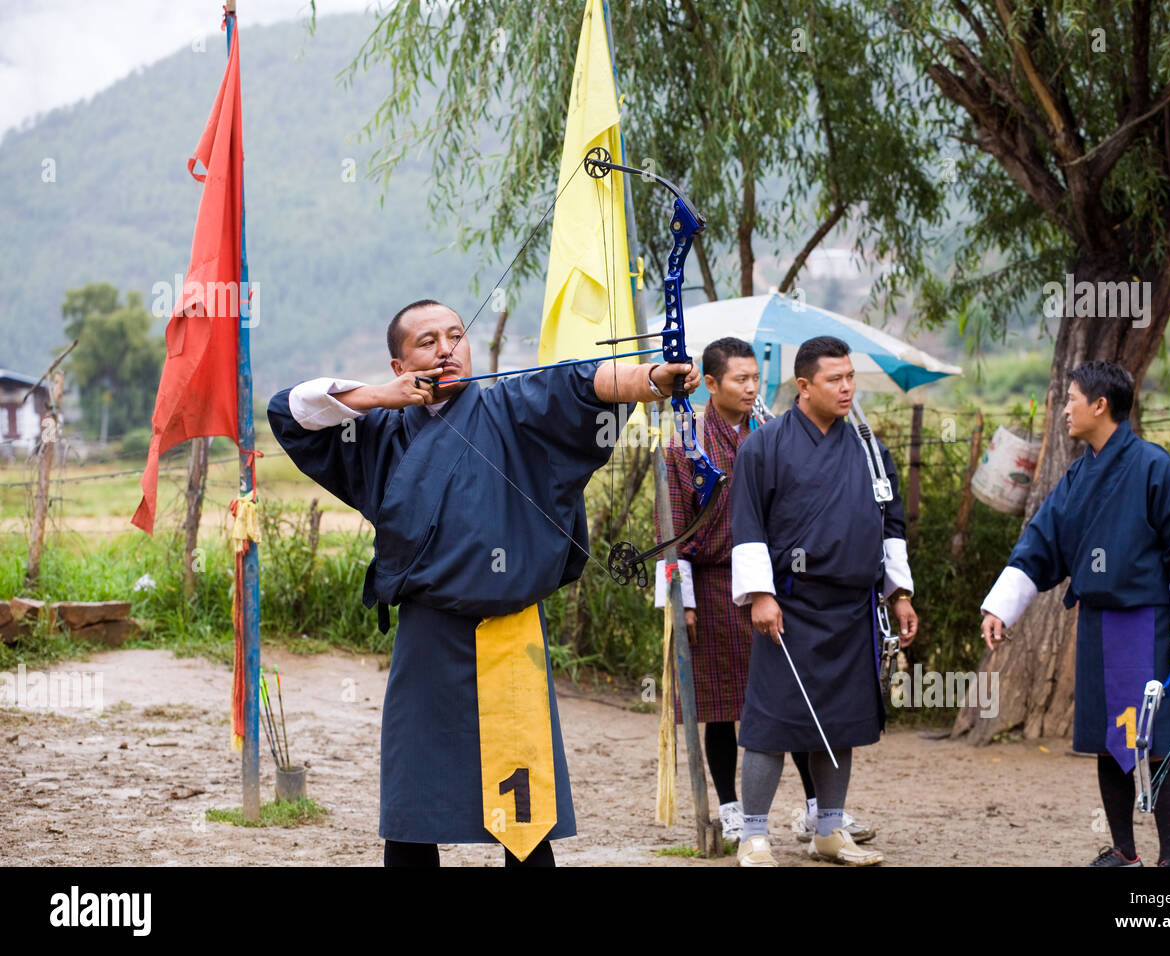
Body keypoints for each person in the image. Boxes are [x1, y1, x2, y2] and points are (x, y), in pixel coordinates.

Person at [267, 298, 699, 867]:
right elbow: (289, 411)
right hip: (428, 635)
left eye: (455, 335)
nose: (447, 349)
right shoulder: (379, 435)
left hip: (510, 632)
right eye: (427, 342)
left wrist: (651, 378)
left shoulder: (514, 407)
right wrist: (377, 398)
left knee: (523, 810)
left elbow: (579, 384)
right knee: (413, 804)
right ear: (400, 368)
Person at [979, 360, 1170, 868]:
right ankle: (1125, 852)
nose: (1064, 409)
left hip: (1150, 624)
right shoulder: (1077, 476)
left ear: (1100, 405)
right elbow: (1042, 540)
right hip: (1098, 625)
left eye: (1071, 398)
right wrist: (1002, 606)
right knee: (1111, 740)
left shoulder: (1155, 466)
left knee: (1156, 742)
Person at [655, 337, 875, 845]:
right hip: (712, 585)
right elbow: (670, 533)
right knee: (723, 704)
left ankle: (819, 810)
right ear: (710, 384)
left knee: (795, 696)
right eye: (740, 379)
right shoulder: (683, 444)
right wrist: (680, 601)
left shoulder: (773, 432)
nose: (752, 388)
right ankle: (732, 809)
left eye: (756, 378)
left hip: (777, 585)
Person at [729, 335, 918, 867]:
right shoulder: (762, 447)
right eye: (836, 380)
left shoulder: (867, 445)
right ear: (804, 386)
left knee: (842, 721)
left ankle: (830, 831)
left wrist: (898, 593)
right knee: (770, 723)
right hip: (789, 606)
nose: (848, 388)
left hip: (854, 607)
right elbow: (747, 526)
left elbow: (891, 523)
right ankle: (754, 835)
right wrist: (760, 595)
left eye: (851, 377)